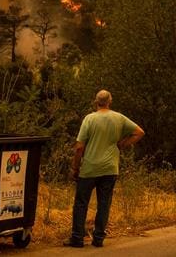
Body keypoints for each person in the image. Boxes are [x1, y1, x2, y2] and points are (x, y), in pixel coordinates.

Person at [65, 90, 144, 248]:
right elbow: (139, 132)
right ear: (110, 101)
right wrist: (122, 144)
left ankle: (77, 238)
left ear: (96, 101)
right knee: (104, 203)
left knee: (81, 203)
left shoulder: (89, 119)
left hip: (89, 169)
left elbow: (79, 147)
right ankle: (98, 238)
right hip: (109, 169)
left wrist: (75, 168)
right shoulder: (119, 118)